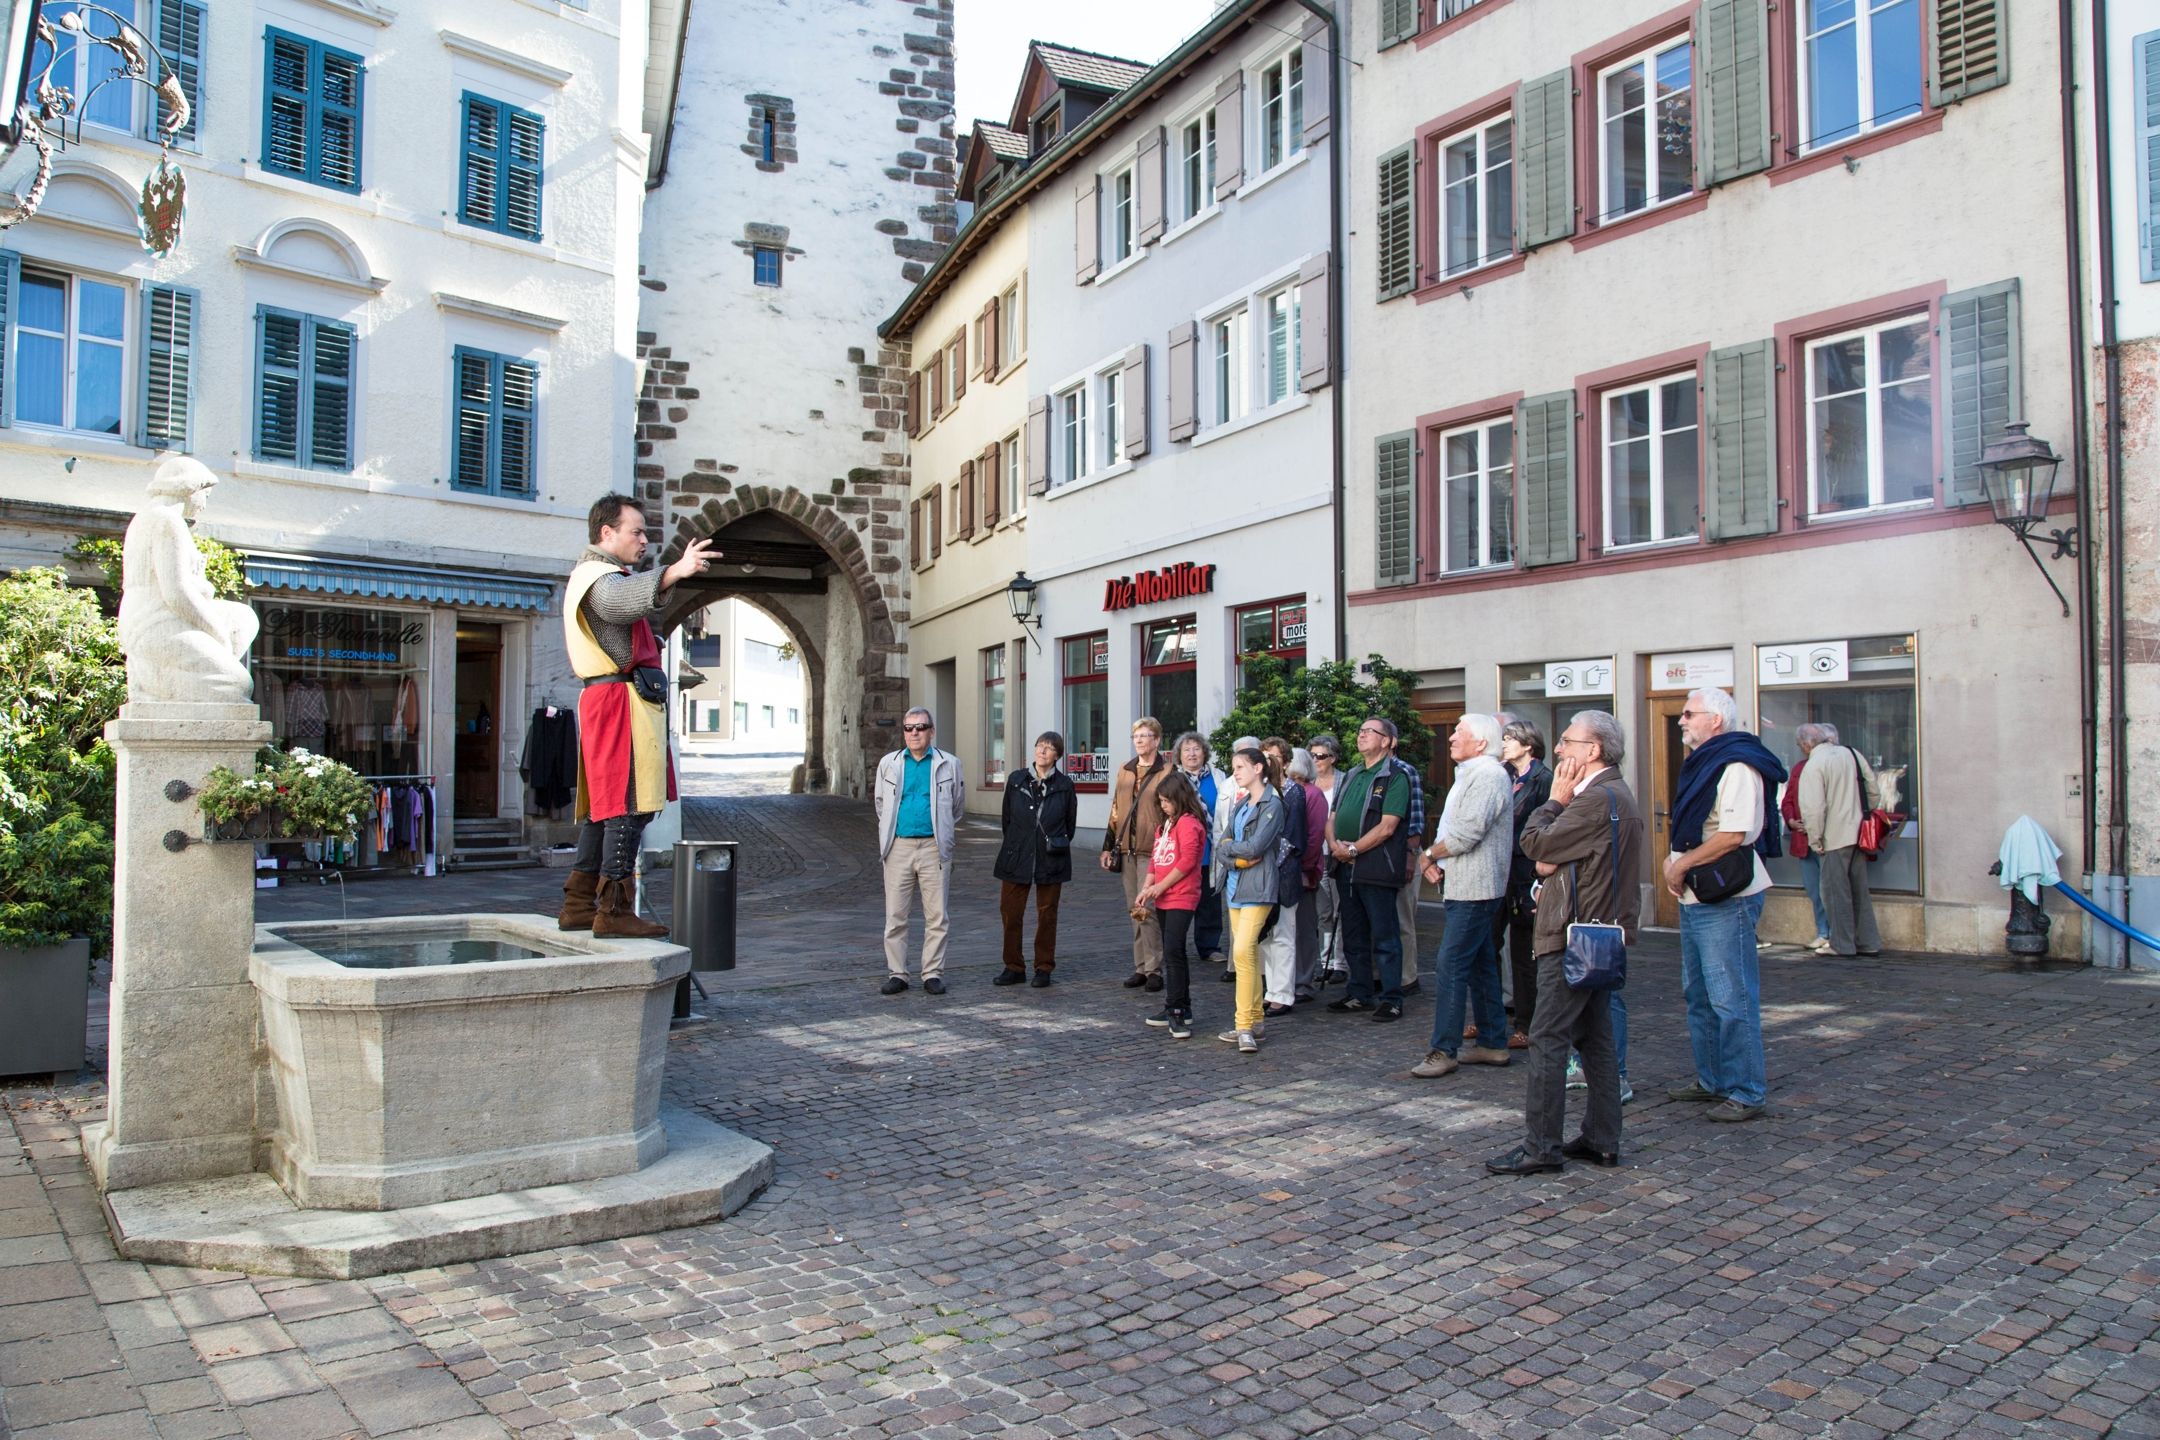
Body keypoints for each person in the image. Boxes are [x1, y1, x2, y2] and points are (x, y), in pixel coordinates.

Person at [1486, 711, 1645, 1175]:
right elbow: (1547, 860)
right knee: (1595, 1038)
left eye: (1568, 742)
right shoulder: (1612, 794)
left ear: (1592, 750)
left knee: (1548, 1038)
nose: (1558, 749)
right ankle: (1601, 1139)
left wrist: (1552, 802)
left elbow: (1535, 844)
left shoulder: (1595, 798)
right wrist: (1548, 859)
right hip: (1597, 931)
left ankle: (1541, 1147)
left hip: (1573, 932)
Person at [557, 493, 715, 939]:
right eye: (636, 531)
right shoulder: (598, 576)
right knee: (626, 804)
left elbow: (626, 606)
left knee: (604, 811)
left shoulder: (595, 575)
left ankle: (579, 902)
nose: (644, 539)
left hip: (612, 700)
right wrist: (674, 571)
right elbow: (619, 601)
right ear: (607, 533)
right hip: (618, 704)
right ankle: (614, 910)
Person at [1663, 688, 1786, 1122]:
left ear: (1715, 720)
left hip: (1725, 897)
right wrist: (1675, 857)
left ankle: (1746, 1089)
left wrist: (1681, 866)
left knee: (1731, 998)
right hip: (1700, 894)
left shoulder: (1735, 764)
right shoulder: (1708, 762)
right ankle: (1713, 1079)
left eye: (1689, 714)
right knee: (1699, 995)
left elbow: (1734, 834)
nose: (1681, 720)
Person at [1409, 716, 1515, 1079]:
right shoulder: (1473, 773)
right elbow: (1456, 830)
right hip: (1466, 885)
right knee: (1481, 965)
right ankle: (1493, 1043)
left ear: (1481, 743)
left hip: (1476, 889)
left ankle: (1444, 1049)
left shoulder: (1488, 775)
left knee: (1451, 964)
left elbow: (1467, 834)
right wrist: (1435, 859)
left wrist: (1429, 855)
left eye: (1459, 733)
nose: (1451, 737)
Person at [873, 706, 966, 995]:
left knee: (937, 915)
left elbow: (956, 806)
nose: (914, 733)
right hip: (898, 846)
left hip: (933, 847)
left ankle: (932, 973)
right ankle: (898, 973)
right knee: (895, 915)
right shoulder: (889, 763)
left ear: (931, 731)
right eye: (909, 728)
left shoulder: (949, 764)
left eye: (920, 727)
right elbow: (880, 803)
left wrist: (943, 833)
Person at [1325, 719, 1413, 1020]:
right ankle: (1359, 992)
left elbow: (1388, 827)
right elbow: (1332, 816)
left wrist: (1353, 849)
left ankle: (1391, 997)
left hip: (1375, 866)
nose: (1361, 735)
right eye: (1360, 731)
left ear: (1388, 741)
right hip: (1345, 865)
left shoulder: (1396, 777)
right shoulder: (1352, 774)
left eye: (1370, 731)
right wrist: (1335, 846)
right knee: (1353, 933)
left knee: (1385, 935)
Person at [993, 731, 1077, 987]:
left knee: (1047, 914)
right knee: (1010, 913)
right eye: (1039, 745)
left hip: (1051, 857)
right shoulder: (1017, 780)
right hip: (1016, 855)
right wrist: (1020, 843)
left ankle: (1043, 967)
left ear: (1057, 756)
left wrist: (1049, 842)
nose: (1042, 751)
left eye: (1048, 748)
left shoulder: (1064, 785)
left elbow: (1069, 826)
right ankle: (1013, 966)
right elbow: (1007, 820)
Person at [1217, 746, 1286, 1053]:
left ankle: (1243, 1024)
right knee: (1249, 955)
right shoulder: (1242, 803)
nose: (1236, 772)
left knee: (1243, 952)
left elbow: (1258, 845)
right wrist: (1238, 860)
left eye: (1241, 766)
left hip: (1258, 887)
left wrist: (1235, 850)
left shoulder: (1273, 802)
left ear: (1259, 768)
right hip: (1235, 886)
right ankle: (1255, 1019)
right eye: (1234, 767)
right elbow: (1221, 845)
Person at [1134, 770, 1210, 1038]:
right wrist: (1147, 887)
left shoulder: (1189, 823)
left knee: (1174, 951)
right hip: (1164, 895)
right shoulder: (1164, 825)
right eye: (1161, 802)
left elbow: (1188, 861)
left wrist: (1159, 887)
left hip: (1181, 895)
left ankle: (1176, 1009)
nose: (1164, 806)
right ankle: (1179, 1006)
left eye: (1167, 801)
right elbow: (1156, 859)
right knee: (1172, 950)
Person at [1797, 726, 1883, 958]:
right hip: (1859, 833)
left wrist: (1815, 840)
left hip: (1834, 835)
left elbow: (1814, 809)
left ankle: (1842, 944)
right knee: (1859, 890)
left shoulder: (1814, 765)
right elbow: (1873, 789)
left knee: (1835, 893)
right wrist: (1865, 813)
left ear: (1807, 744)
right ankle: (1868, 941)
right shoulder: (1851, 753)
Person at [1104, 718, 1176, 990]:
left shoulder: (1167, 770)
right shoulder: (1125, 769)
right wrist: (1108, 845)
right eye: (1136, 736)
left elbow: (1174, 809)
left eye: (1146, 735)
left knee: (1149, 909)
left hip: (1152, 849)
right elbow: (1116, 809)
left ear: (1157, 740)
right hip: (1126, 850)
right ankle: (1141, 967)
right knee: (1134, 909)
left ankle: (1154, 968)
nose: (1140, 740)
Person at [1497, 720, 1552, 1049]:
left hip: (1524, 872)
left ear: (1528, 744)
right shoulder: (1502, 775)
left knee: (1523, 950)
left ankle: (1527, 1023)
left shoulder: (1543, 780)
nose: (1504, 744)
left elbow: (1547, 826)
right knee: (1488, 944)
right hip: (1499, 870)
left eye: (1510, 739)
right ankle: (1490, 1016)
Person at [1257, 737, 1320, 1016]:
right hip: (1260, 872)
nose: (1268, 762)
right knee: (1266, 936)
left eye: (1273, 756)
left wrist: (1263, 859)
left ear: (1284, 761)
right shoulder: (1260, 790)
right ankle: (1270, 990)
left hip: (1283, 872)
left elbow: (1293, 838)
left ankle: (1283, 993)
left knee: (1283, 933)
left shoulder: (1293, 792)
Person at [1173, 732, 1230, 970]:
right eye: (1187, 750)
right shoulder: (1174, 779)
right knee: (1182, 899)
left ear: (1204, 752)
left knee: (1210, 900)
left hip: (1211, 847)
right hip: (1186, 849)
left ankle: (1209, 947)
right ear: (1179, 755)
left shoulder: (1218, 777)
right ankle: (1176, 947)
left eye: (1196, 749)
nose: (1192, 754)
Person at [1779, 723, 1835, 953]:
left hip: (1827, 838)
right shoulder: (1800, 768)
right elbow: (1788, 800)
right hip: (1803, 839)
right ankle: (1823, 932)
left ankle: (1834, 934)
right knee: (1814, 889)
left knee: (1830, 889)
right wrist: (1791, 820)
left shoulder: (1832, 764)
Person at [1286, 747, 1330, 1002]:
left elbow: (1314, 836)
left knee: (1304, 928)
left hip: (1303, 871)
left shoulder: (1312, 795)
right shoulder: (1284, 791)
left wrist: (1304, 867)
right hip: (1285, 871)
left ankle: (1303, 981)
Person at [1308, 734, 1348, 985]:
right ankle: (1325, 961)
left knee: (1339, 909)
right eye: (1312, 755)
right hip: (1316, 854)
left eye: (1321, 756)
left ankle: (1340, 963)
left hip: (1337, 852)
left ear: (1332, 758)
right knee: (1322, 911)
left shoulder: (1345, 781)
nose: (1316, 760)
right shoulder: (1308, 782)